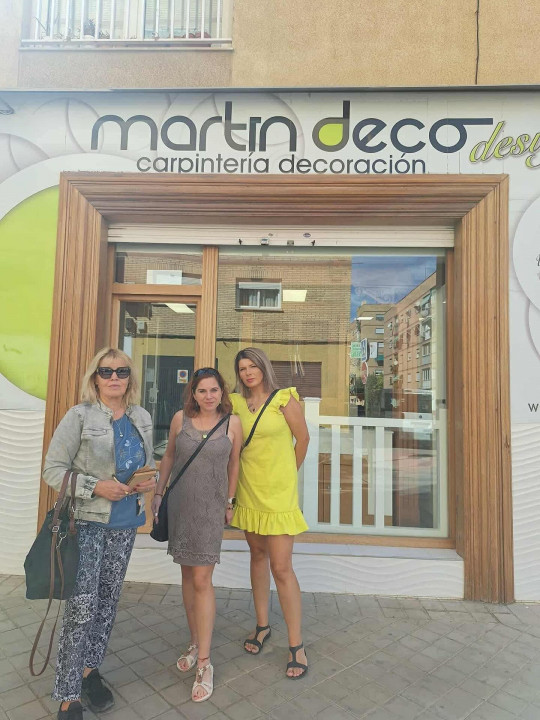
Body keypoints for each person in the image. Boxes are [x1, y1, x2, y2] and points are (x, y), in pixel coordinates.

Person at [42, 347, 157, 720]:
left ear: (130, 378)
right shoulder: (79, 416)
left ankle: (89, 672)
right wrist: (96, 486)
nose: (114, 378)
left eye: (121, 371)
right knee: (81, 608)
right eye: (106, 371)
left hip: (124, 525)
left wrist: (147, 482)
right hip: (86, 524)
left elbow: (147, 465)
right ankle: (68, 695)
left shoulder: (141, 416)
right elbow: (53, 469)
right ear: (95, 378)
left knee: (107, 603)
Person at [151, 368, 242, 702]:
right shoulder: (181, 419)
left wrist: (230, 502)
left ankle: (205, 662)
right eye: (202, 391)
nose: (208, 396)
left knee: (203, 579)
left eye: (214, 390)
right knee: (188, 577)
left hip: (210, 510)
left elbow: (234, 464)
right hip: (181, 505)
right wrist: (158, 493)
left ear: (222, 392)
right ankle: (194, 642)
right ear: (193, 393)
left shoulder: (232, 423)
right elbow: (169, 457)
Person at [230, 348, 310, 679]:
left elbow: (303, 439)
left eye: (253, 366)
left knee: (282, 567)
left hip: (278, 495)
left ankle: (296, 644)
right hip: (249, 490)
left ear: (264, 368)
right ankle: (262, 626)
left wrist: (288, 475)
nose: (248, 372)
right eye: (242, 368)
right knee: (257, 556)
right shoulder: (234, 403)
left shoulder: (284, 399)